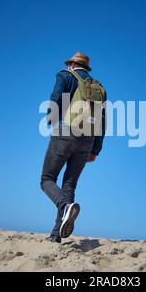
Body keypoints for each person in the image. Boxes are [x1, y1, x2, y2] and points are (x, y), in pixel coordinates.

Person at [40, 52, 107, 243]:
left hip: (66, 132)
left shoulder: (65, 75)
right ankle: (56, 235)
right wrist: (96, 149)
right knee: (69, 184)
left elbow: (55, 98)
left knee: (46, 179)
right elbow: (103, 120)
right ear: (87, 68)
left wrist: (50, 117)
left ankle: (65, 207)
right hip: (88, 139)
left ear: (71, 64)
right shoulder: (100, 87)